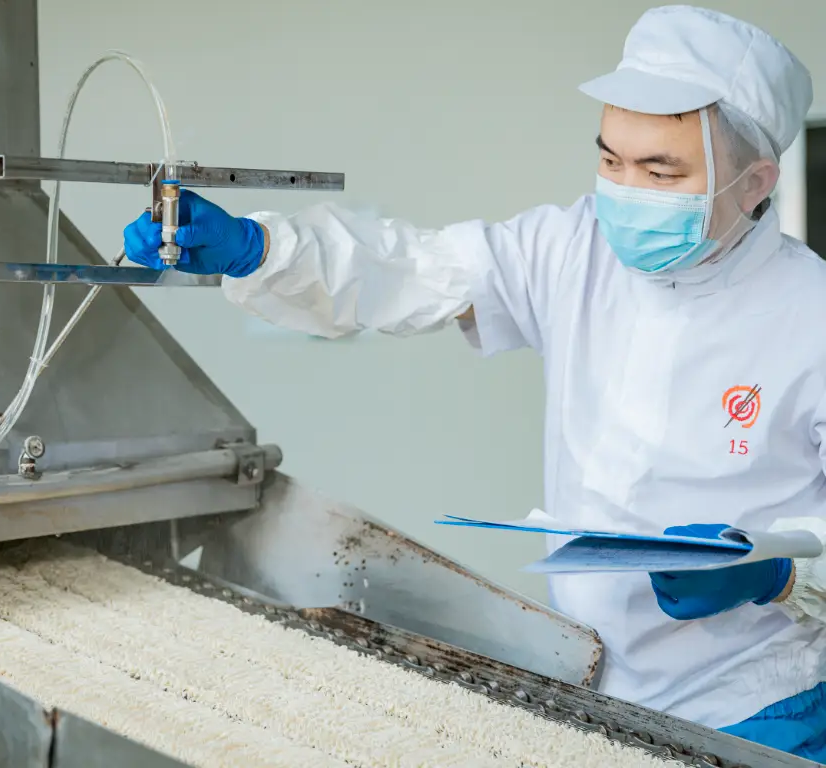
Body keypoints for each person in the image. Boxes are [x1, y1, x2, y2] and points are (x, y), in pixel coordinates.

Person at [124, 5, 826, 760]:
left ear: (756, 184)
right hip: (591, 689)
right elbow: (415, 270)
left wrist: (777, 576)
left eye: (661, 172)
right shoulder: (572, 247)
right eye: (611, 160)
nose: (625, 191)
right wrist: (261, 248)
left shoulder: (809, 315)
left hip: (758, 703)